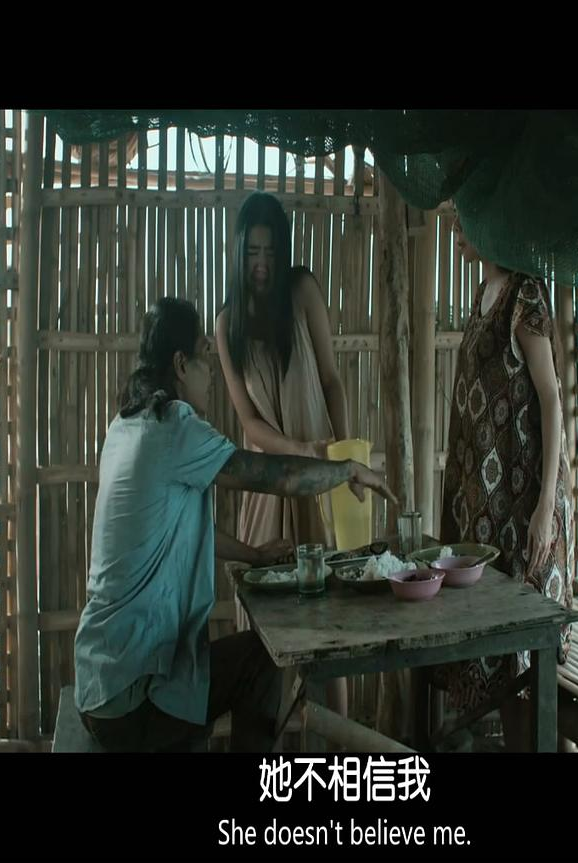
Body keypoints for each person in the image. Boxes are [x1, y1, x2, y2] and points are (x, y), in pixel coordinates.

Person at [74, 296, 394, 752]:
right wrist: (347, 470)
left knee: (206, 673)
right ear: (181, 365)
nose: (212, 374)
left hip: (99, 685)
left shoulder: (126, 427)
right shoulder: (174, 427)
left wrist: (253, 554)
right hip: (133, 699)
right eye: (204, 357)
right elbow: (278, 477)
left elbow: (177, 535)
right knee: (261, 662)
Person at [432, 214, 575, 751]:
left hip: (523, 503)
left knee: (525, 661)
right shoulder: (484, 294)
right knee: (500, 657)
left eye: (466, 215)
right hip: (488, 508)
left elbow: (551, 399)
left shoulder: (524, 294)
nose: (456, 225)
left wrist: (545, 506)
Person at [215, 191, 351, 717]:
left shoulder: (302, 291)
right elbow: (249, 423)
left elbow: (332, 380)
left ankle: (340, 743)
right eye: (253, 252)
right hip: (267, 486)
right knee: (263, 632)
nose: (262, 264)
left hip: (318, 481)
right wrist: (297, 451)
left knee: (332, 625)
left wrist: (342, 458)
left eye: (270, 252)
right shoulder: (227, 324)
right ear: (238, 252)